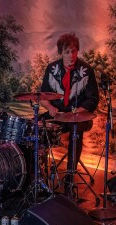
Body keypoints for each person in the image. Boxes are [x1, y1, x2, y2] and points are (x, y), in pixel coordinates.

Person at [39, 33, 99, 178]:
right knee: (37, 125)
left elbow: (93, 99)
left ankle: (70, 174)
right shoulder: (51, 69)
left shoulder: (86, 71)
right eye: (67, 52)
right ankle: (40, 170)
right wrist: (51, 108)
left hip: (79, 117)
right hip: (57, 114)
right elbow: (42, 96)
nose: (71, 55)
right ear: (61, 52)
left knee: (75, 130)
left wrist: (77, 111)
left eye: (74, 51)